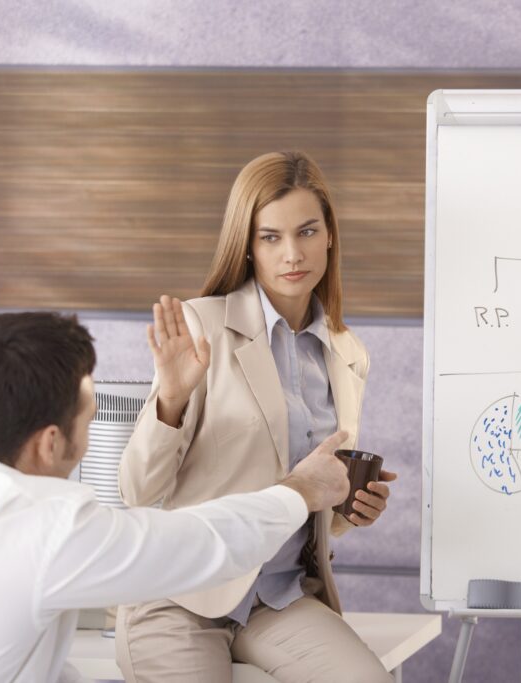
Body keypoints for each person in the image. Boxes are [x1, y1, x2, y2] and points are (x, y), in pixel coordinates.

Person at [0, 312, 353, 683]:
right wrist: (300, 489)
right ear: (50, 443)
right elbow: (204, 544)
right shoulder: (46, 529)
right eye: (89, 419)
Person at [116, 151, 396, 682]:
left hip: (278, 597)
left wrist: (350, 508)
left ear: (330, 236)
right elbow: (138, 490)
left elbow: (310, 501)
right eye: (270, 237)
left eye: (307, 231)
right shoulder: (203, 326)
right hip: (181, 597)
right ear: (247, 245)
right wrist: (170, 401)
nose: (292, 253)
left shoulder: (347, 352)